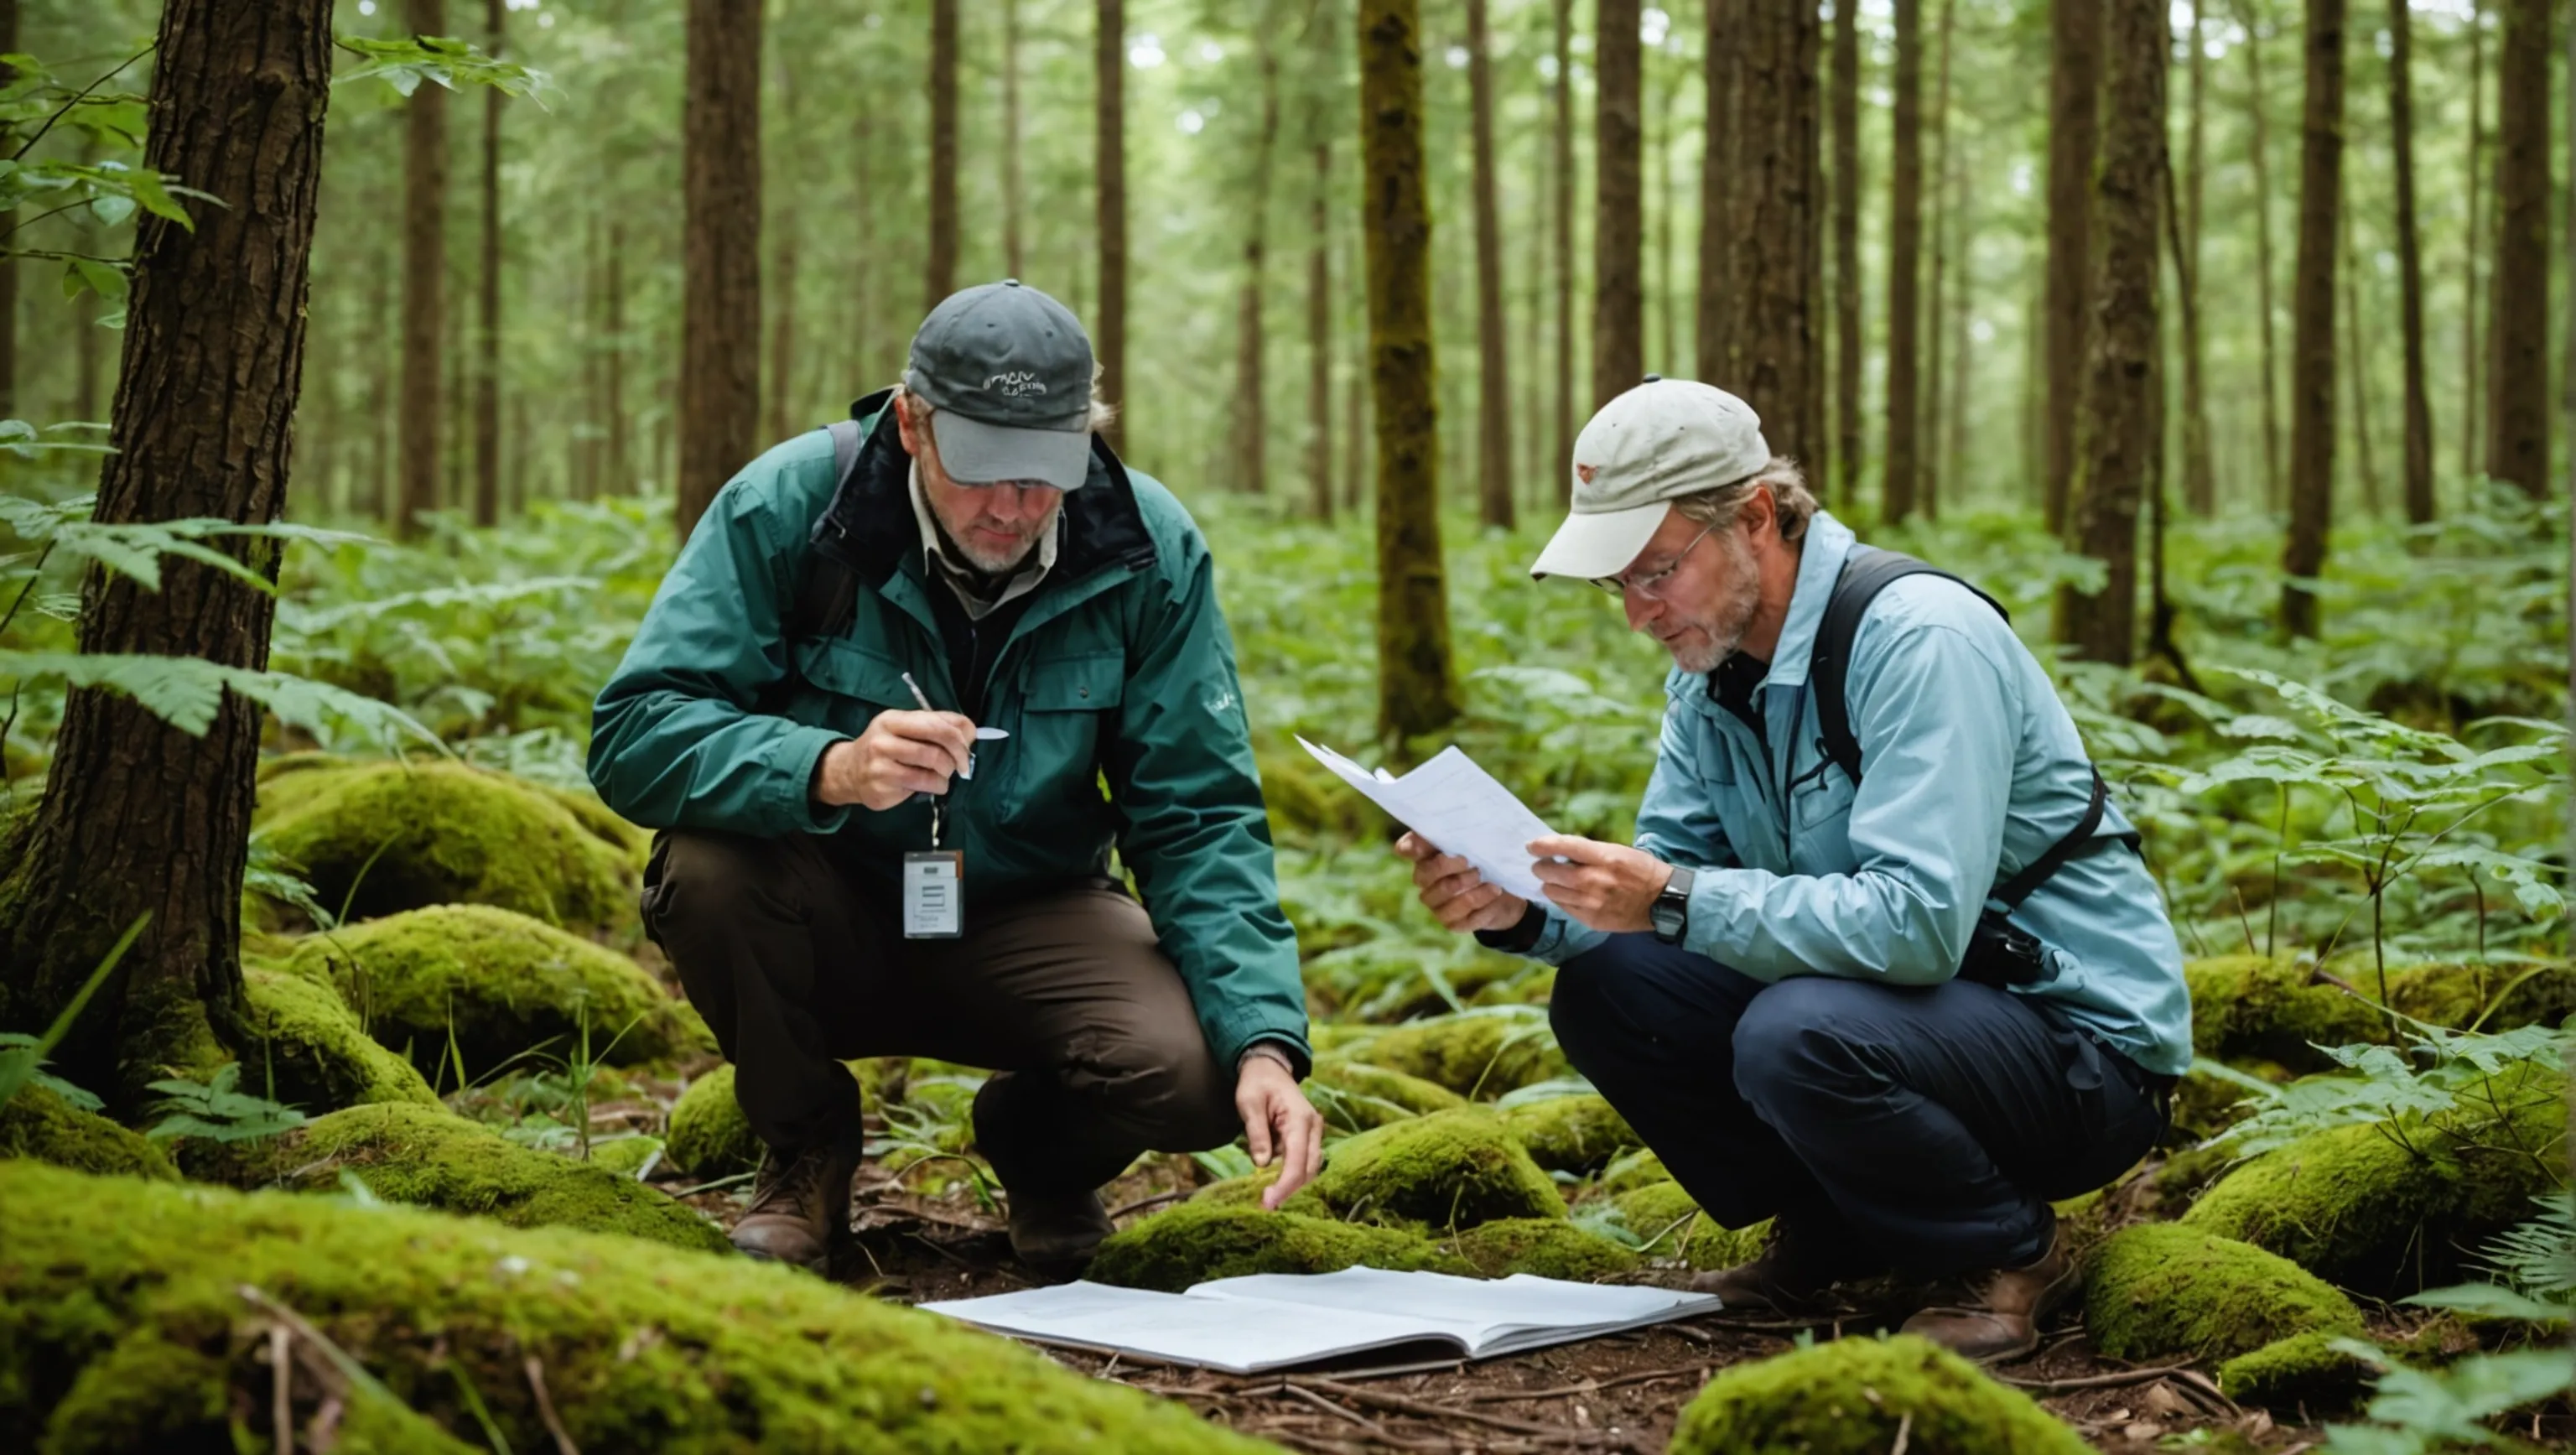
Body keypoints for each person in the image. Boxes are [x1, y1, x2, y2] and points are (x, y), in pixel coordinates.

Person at [1397, 378, 2191, 1360]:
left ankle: (2007, 1254)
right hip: (1913, 1016)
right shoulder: (1712, 680)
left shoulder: (1919, 639)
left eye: (1655, 571)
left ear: (1757, 516)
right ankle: (1837, 1232)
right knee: (1611, 986)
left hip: (2079, 1050)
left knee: (1795, 1031)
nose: (1639, 616)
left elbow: (1917, 922)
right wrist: (1520, 910)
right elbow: (1670, 905)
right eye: (1620, 586)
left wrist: (1670, 896)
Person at [589, 280, 1322, 1276]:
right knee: (707, 868)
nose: (1012, 508)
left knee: (1195, 1070)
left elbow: (1198, 813)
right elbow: (635, 731)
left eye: (1042, 474)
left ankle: (1041, 1156)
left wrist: (1265, 1045)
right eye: (982, 470)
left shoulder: (1147, 545)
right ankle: (806, 1148)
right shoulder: (791, 504)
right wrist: (828, 769)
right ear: (912, 424)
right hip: (825, 900)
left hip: (1033, 911)